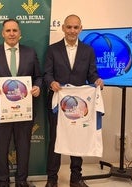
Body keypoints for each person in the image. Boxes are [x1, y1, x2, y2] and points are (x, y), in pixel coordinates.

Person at [43, 14, 104, 187]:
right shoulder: (52, 49)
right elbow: (47, 73)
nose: (72, 30)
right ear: (63, 28)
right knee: (56, 138)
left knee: (78, 137)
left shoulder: (88, 50)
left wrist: (97, 81)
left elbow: (92, 74)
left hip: (80, 103)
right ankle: (52, 178)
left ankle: (76, 178)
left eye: (75, 27)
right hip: (58, 101)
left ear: (81, 28)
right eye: (69, 27)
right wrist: (51, 82)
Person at [0, 19, 42, 187]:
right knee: (1, 149)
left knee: (23, 148)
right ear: (2, 33)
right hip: (0, 110)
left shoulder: (30, 53)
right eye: (8, 30)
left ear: (20, 33)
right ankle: (2, 182)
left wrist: (37, 86)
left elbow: (38, 76)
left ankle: (21, 181)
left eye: (15, 30)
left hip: (24, 110)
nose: (12, 33)